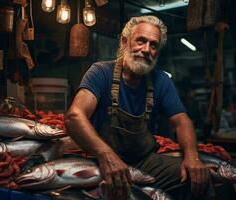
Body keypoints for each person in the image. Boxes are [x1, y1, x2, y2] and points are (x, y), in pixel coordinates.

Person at [65, 15, 214, 200]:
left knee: (199, 180)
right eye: (141, 41)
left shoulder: (161, 81)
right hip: (100, 161)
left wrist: (192, 156)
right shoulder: (101, 72)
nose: (146, 50)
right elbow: (74, 116)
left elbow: (182, 121)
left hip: (144, 162)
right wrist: (106, 156)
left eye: (153, 45)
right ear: (125, 41)